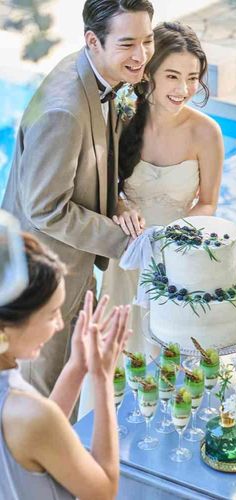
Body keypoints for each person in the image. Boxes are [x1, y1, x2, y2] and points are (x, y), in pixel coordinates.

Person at [1, 0, 154, 398]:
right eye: (127, 44)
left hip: (76, 264)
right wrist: (126, 242)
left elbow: (92, 162)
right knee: (42, 396)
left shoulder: (98, 72)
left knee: (69, 387)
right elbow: (45, 208)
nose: (141, 56)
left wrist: (118, 202)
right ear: (93, 41)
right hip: (42, 281)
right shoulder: (63, 111)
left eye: (147, 40)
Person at [103, 21, 223, 353]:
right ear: (148, 73)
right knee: (118, 348)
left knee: (168, 351)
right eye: (172, 76)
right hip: (127, 253)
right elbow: (105, 186)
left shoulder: (206, 133)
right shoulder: (121, 118)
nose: (184, 89)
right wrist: (120, 206)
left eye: (192, 78)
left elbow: (208, 203)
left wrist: (170, 238)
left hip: (176, 256)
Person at [0, 233, 131, 499]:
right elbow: (104, 490)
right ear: (8, 326)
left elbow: (36, 438)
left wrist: (77, 366)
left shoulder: (25, 412)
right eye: (51, 315)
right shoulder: (32, 415)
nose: (60, 324)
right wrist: (102, 378)